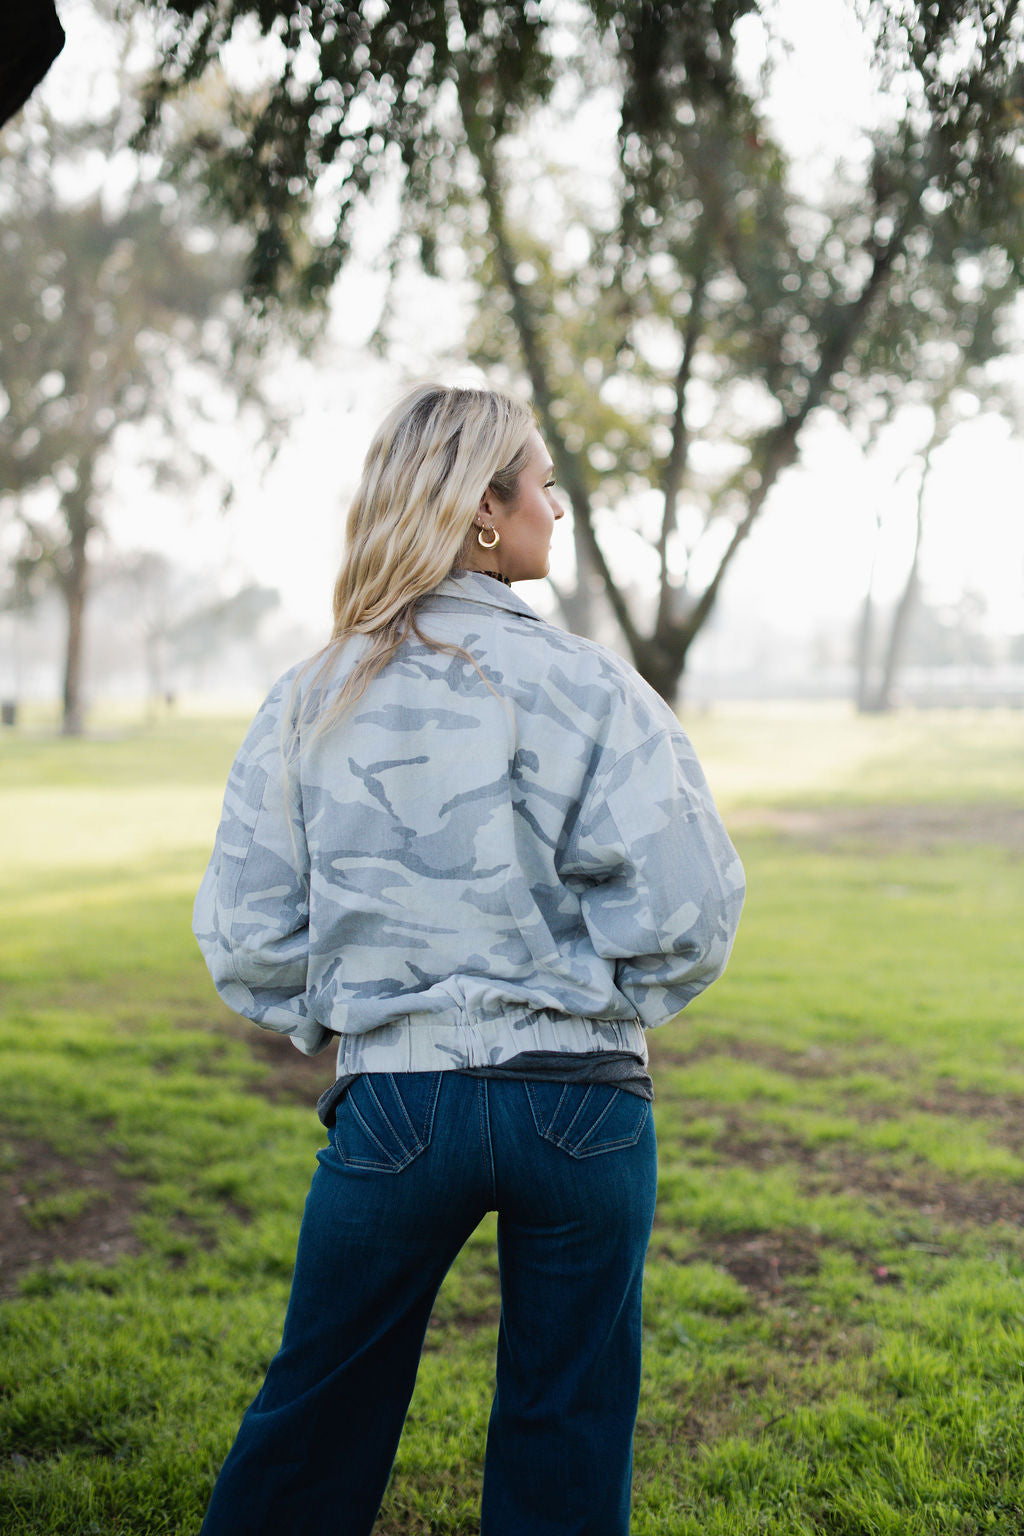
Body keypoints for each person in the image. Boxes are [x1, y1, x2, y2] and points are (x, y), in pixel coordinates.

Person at [193, 382, 745, 1536]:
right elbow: (688, 907)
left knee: (312, 1426)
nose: (556, 504)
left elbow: (248, 938)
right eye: (542, 483)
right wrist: (599, 1008)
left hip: (395, 1110)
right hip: (585, 1113)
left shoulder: (311, 697)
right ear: (484, 512)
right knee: (567, 1432)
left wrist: (356, 1017)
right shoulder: (594, 686)